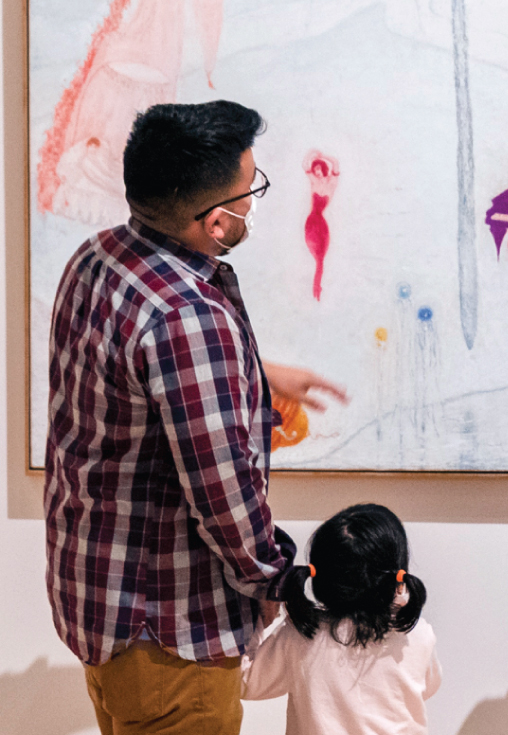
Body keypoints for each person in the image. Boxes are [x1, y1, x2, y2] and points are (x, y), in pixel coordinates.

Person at [44, 100, 347, 735]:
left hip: (99, 601)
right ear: (215, 221)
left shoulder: (96, 259)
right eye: (251, 190)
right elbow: (222, 490)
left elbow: (129, 384)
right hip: (168, 628)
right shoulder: (186, 318)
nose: (254, 204)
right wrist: (273, 578)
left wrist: (255, 375)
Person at [241, 503, 442, 735]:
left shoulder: (302, 634)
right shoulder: (416, 634)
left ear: (319, 576)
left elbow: (247, 683)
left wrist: (255, 617)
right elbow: (428, 686)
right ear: (397, 576)